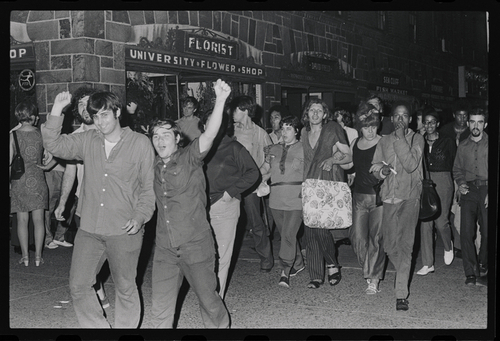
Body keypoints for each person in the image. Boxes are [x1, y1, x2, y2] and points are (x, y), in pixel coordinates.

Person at [42, 90, 155, 328]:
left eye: (104, 115)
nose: (100, 122)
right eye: (95, 116)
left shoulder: (140, 143)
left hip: (125, 230)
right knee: (79, 285)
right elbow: (53, 144)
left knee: (125, 287)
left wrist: (139, 216)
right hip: (90, 228)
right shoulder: (88, 140)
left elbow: (148, 189)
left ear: (117, 112)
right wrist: (56, 109)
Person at [150, 79, 231, 328]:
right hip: (165, 249)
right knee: (161, 310)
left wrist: (220, 101)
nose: (160, 140)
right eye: (155, 136)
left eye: (166, 135)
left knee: (209, 302)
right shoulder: (151, 164)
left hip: (195, 246)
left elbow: (209, 134)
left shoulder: (190, 158)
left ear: (178, 138)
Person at [53, 87, 110, 309]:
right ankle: (92, 292)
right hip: (83, 205)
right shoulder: (76, 137)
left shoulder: (108, 130)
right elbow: (70, 172)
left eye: (89, 102)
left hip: (109, 205)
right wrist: (62, 202)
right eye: (80, 104)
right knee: (85, 255)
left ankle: (91, 290)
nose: (85, 107)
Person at [200, 108, 260, 299]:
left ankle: (217, 301)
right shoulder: (198, 147)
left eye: (217, 122)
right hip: (199, 207)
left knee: (222, 256)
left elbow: (253, 173)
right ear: (203, 126)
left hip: (223, 207)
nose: (213, 126)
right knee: (202, 256)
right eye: (210, 122)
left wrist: (231, 192)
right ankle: (207, 294)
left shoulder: (234, 148)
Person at [371, 101, 424, 311]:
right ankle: (403, 270)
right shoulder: (384, 141)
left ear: (410, 119)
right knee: (389, 246)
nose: (400, 119)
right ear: (391, 119)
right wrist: (380, 172)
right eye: (397, 116)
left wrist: (401, 139)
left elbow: (411, 165)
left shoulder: (416, 139)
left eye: (404, 116)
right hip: (389, 198)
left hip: (410, 198)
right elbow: (374, 165)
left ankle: (401, 293)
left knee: (405, 247)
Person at [300, 98, 352, 289]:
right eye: (311, 110)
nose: (315, 114)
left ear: (324, 114)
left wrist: (333, 159)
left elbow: (349, 156)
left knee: (321, 227)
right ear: (307, 113)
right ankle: (315, 274)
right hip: (308, 185)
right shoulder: (303, 133)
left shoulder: (332, 129)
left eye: (319, 111)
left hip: (326, 184)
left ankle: (332, 263)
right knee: (310, 229)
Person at [344, 102, 385, 294]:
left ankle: (373, 279)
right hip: (359, 196)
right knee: (357, 238)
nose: (370, 131)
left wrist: (383, 170)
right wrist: (335, 160)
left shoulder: (384, 142)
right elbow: (350, 165)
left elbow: (393, 168)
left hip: (379, 198)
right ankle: (369, 270)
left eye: (373, 126)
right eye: (366, 127)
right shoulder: (355, 143)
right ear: (360, 127)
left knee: (376, 238)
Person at [231, 95, 274, 273]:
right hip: (231, 183)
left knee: (256, 221)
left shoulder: (260, 134)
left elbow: (271, 157)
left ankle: (266, 258)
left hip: (250, 185)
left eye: (235, 110)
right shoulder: (229, 131)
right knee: (226, 220)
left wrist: (263, 176)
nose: (232, 113)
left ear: (246, 111)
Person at [265, 116, 306, 288]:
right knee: (285, 236)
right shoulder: (273, 148)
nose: (285, 132)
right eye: (283, 128)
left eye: (289, 128)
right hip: (276, 199)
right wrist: (254, 180)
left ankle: (285, 271)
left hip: (296, 198)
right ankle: (298, 263)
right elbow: (266, 170)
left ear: (297, 131)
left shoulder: (304, 148)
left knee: (288, 234)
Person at [416, 108, 456, 275]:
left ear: (438, 124)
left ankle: (448, 245)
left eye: (432, 122)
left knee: (441, 222)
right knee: (425, 221)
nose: (429, 125)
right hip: (425, 182)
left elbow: (455, 164)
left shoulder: (448, 141)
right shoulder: (419, 141)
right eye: (426, 122)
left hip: (444, 180)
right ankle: (427, 263)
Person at [10, 101, 49, 267]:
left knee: (22, 221)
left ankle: (25, 257)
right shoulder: (41, 134)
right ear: (32, 116)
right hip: (38, 179)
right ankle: (38, 257)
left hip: (20, 181)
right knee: (39, 220)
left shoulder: (13, 135)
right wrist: (46, 165)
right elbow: (51, 154)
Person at [452, 108, 488, 287]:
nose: (476, 125)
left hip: (487, 189)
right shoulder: (463, 145)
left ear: (485, 124)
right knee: (466, 232)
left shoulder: (490, 143)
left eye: (479, 122)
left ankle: (483, 264)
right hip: (469, 190)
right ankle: (470, 272)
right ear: (468, 124)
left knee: (488, 230)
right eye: (472, 122)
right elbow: (457, 169)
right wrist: (460, 182)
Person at [439, 99, 472, 257]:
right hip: (447, 174)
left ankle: (459, 245)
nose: (462, 119)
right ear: (454, 115)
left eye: (465, 116)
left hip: (464, 175)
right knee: (447, 211)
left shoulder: (472, 131)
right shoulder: (445, 130)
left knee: (461, 209)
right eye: (459, 115)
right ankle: (451, 240)